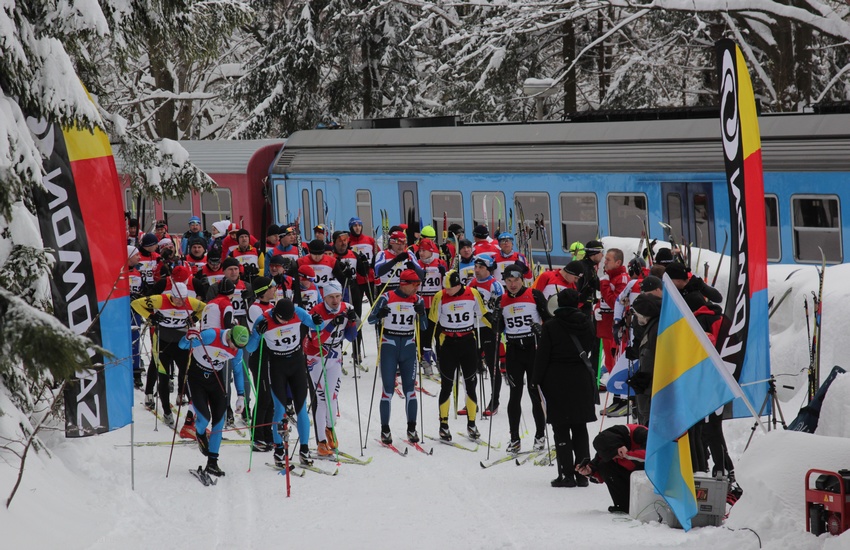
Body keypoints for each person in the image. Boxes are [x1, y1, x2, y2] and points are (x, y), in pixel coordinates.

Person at [247, 299, 324, 466]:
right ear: (276, 314)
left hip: (296, 363)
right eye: (283, 320)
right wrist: (257, 334)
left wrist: (318, 321)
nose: (287, 322)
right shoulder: (264, 319)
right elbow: (250, 348)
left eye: (289, 319)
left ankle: (304, 449)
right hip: (277, 365)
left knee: (301, 408)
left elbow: (316, 324)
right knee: (279, 410)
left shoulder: (298, 312)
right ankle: (279, 450)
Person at [532, 288, 597, 487]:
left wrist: (535, 380)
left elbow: (542, 357)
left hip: (557, 380)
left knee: (561, 428)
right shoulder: (587, 323)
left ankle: (566, 474)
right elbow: (591, 348)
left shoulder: (551, 326)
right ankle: (583, 474)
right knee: (580, 427)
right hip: (581, 379)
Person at [178, 324, 248, 477]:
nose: (235, 349)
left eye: (238, 347)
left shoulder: (237, 350)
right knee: (203, 419)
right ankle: (201, 434)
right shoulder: (211, 335)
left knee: (219, 421)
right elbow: (182, 345)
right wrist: (188, 337)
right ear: (229, 336)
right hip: (196, 378)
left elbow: (238, 372)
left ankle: (212, 463)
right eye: (234, 345)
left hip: (216, 380)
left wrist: (241, 396)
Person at [367, 268, 428, 444]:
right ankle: (385, 429)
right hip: (389, 346)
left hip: (409, 346)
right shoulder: (387, 297)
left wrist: (421, 313)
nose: (417, 288)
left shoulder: (418, 299)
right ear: (404, 284)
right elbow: (370, 320)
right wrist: (380, 315)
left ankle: (412, 428)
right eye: (414, 284)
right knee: (388, 389)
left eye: (419, 284)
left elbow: (423, 327)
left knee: (410, 389)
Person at [131, 282, 205, 426]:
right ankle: (166, 411)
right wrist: (150, 316)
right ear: (172, 295)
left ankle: (189, 407)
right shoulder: (160, 299)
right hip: (162, 343)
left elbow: (205, 308)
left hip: (181, 344)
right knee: (163, 377)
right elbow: (135, 303)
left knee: (186, 375)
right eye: (177, 298)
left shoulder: (190, 302)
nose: (180, 302)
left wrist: (194, 318)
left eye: (183, 299)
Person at [428, 270, 489, 442]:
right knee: (447, 385)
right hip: (447, 344)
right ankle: (443, 425)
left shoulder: (472, 293)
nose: (446, 291)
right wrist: (426, 346)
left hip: (468, 342)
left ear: (457, 285)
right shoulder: (440, 296)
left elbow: (483, 315)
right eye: (445, 288)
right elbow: (432, 321)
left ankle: (471, 424)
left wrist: (496, 326)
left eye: (449, 288)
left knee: (470, 384)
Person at [497, 263, 550, 454]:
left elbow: (550, 321)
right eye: (509, 281)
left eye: (516, 280)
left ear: (522, 279)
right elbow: (498, 328)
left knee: (535, 393)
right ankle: (514, 438)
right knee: (514, 395)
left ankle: (540, 435)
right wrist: (495, 320)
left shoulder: (534, 295)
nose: (513, 284)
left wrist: (541, 330)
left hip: (533, 349)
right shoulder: (501, 300)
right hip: (513, 352)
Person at [304, 281, 358, 456]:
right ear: (324, 297)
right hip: (316, 356)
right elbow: (314, 341)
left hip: (334, 357)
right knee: (321, 399)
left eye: (338, 296)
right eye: (331, 297)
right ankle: (320, 442)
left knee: (332, 397)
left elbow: (351, 337)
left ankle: (330, 429)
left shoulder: (346, 307)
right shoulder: (315, 311)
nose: (335, 301)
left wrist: (351, 322)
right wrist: (331, 325)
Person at [575, 424, 648, 513]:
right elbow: (598, 469)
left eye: (616, 454)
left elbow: (653, 454)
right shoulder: (606, 446)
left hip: (651, 475)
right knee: (604, 465)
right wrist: (589, 472)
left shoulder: (640, 432)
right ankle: (623, 506)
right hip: (631, 475)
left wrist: (627, 455)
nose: (615, 457)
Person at [467, 254, 504, 416]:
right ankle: (470, 400)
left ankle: (494, 401)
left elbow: (499, 308)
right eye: (476, 267)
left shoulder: (495, 286)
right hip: (472, 327)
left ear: (488, 269)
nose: (477, 270)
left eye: (481, 268)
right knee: (470, 365)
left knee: (492, 365)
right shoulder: (471, 283)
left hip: (488, 328)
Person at [246, 276, 277, 452]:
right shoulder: (255, 308)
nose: (275, 288)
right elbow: (266, 326)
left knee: (271, 398)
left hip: (271, 355)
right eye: (272, 286)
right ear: (264, 291)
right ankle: (257, 437)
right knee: (264, 396)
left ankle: (267, 435)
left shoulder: (271, 306)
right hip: (259, 355)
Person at [629, 292, 662, 426]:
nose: (636, 318)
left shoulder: (656, 329)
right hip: (651, 389)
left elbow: (653, 357)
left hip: (654, 392)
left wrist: (644, 381)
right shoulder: (653, 326)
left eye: (637, 314)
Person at [416, 238, 447, 377]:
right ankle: (425, 361)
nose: (421, 253)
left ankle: (441, 360)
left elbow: (448, 285)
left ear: (431, 251)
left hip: (437, 307)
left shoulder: (440, 263)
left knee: (439, 334)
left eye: (424, 250)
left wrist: (444, 273)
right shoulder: (416, 264)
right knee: (424, 335)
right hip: (423, 307)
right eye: (420, 250)